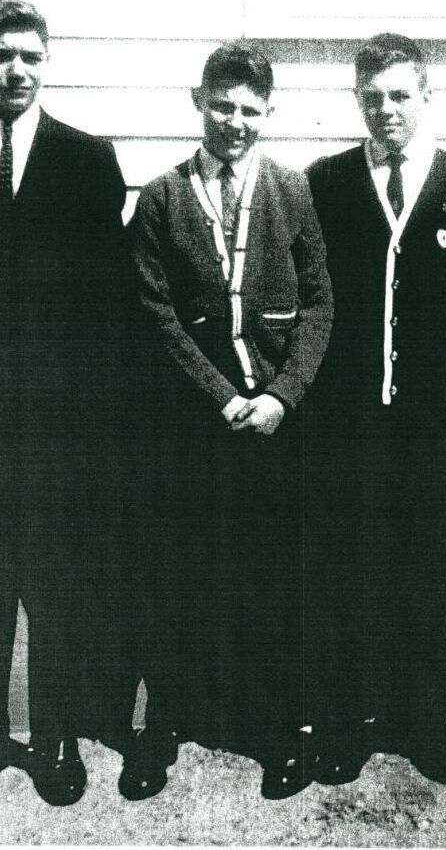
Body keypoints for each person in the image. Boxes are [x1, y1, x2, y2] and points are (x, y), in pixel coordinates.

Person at [0, 0, 128, 812]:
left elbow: (107, 306)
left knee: (57, 581)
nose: (17, 71)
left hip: (58, 424)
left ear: (48, 62)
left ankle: (55, 735)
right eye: (3, 54)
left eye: (32, 56)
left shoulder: (86, 159)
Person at [126, 41, 333, 800]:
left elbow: (319, 302)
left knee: (273, 578)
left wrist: (283, 395)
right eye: (223, 106)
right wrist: (220, 396)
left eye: (250, 110)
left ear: (268, 113)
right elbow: (153, 312)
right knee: (180, 576)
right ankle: (166, 721)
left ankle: (276, 726)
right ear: (198, 102)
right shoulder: (162, 197)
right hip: (193, 426)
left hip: (276, 425)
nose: (235, 122)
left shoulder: (291, 190)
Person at [303, 33, 446, 786]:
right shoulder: (327, 181)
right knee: (349, 573)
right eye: (372, 97)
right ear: (357, 100)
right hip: (349, 422)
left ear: (425, 96)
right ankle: (346, 722)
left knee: (433, 572)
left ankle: (432, 721)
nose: (386, 109)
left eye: (399, 95)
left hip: (435, 429)